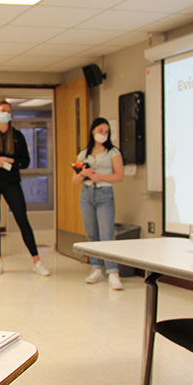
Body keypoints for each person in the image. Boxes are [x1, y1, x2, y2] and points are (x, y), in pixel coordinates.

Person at [0, 99, 50, 277]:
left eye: (9, 111)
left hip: (11, 182)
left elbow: (26, 161)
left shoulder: (17, 136)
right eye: (3, 110)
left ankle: (36, 261)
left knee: (22, 219)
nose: (6, 113)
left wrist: (12, 161)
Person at [72, 117, 124, 290]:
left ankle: (112, 271)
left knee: (106, 234)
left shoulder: (113, 152)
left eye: (106, 132)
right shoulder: (84, 153)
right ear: (93, 131)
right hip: (87, 194)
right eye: (100, 131)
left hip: (104, 193)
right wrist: (83, 174)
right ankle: (96, 268)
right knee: (91, 234)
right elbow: (74, 179)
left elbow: (119, 176)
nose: (103, 134)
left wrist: (99, 176)